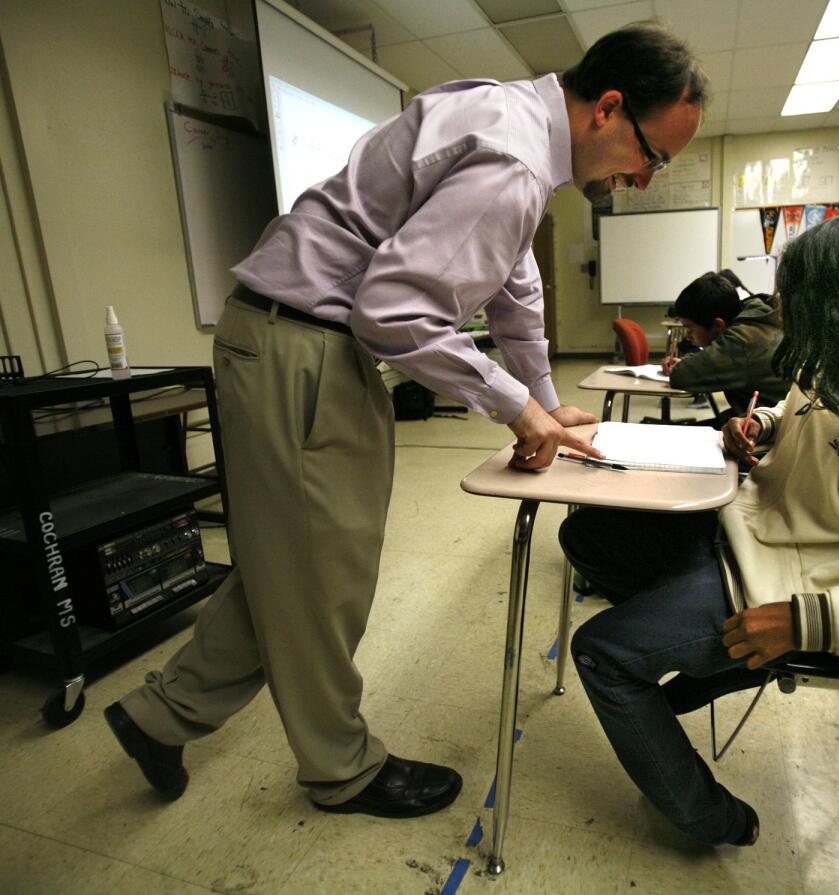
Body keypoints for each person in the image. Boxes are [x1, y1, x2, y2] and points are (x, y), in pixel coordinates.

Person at [104, 24, 708, 818]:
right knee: (324, 576)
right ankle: (340, 768)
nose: (644, 177)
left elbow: (513, 284)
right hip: (307, 348)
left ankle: (161, 716)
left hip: (295, 340)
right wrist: (518, 405)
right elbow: (391, 311)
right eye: (653, 156)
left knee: (290, 564)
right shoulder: (518, 162)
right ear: (608, 108)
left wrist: (540, 397)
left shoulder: (511, 115)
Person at [560, 209, 839, 846]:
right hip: (746, 534)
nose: (783, 307)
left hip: (797, 586)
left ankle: (710, 818)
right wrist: (758, 428)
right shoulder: (832, 367)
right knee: (586, 537)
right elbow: (801, 427)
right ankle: (711, 659)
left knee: (603, 653)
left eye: (801, 294)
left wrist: (801, 622)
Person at [661, 272, 788, 418]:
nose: (688, 335)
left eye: (690, 329)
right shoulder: (753, 316)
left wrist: (680, 366)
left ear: (718, 324)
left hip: (769, 427)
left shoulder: (742, 340)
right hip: (767, 415)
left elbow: (681, 376)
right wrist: (686, 361)